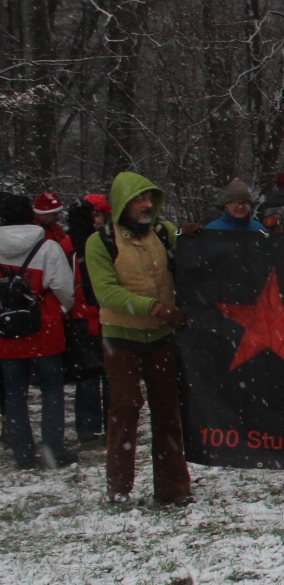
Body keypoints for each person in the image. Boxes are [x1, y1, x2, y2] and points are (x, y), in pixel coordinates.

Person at [87, 172, 192, 505]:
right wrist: (156, 307)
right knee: (125, 409)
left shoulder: (163, 232)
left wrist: (194, 237)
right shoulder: (100, 242)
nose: (146, 205)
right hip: (121, 338)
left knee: (167, 411)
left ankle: (173, 489)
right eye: (139, 199)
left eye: (149, 198)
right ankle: (119, 488)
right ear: (123, 203)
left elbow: (198, 254)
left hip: (161, 338)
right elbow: (106, 293)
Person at [0, 193, 74, 470]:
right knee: (52, 388)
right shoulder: (47, 247)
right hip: (45, 325)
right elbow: (64, 289)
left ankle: (22, 453)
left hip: (6, 328)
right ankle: (53, 450)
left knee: (14, 392)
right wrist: (61, 309)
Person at [62, 197, 105, 446]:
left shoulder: (64, 244)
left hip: (78, 316)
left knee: (87, 375)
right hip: (102, 314)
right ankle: (113, 421)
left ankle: (87, 427)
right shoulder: (100, 240)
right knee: (108, 374)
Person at [203, 180, 269, 232]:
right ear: (226, 205)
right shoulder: (213, 229)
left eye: (244, 202)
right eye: (235, 202)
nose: (240, 206)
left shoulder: (258, 228)